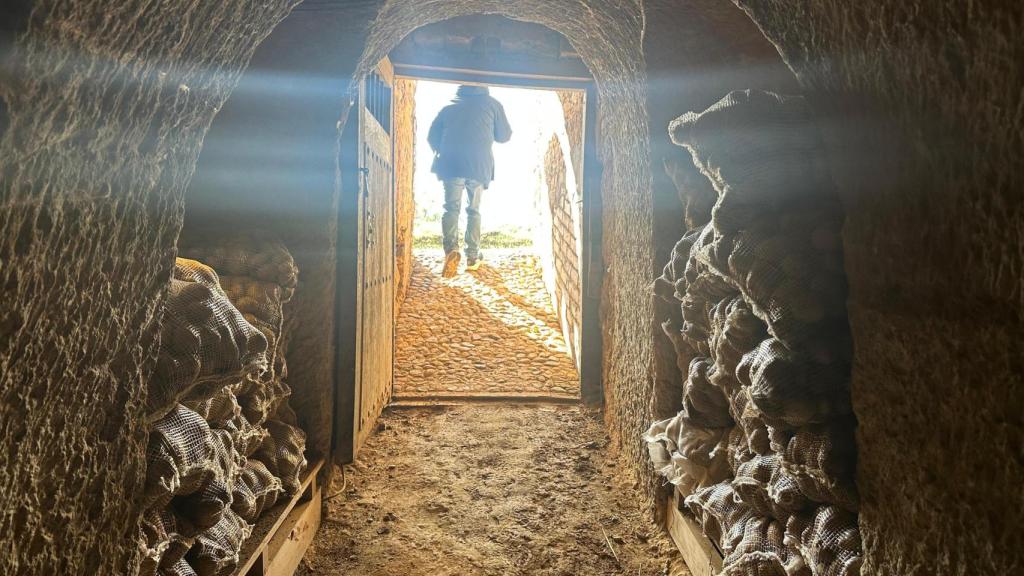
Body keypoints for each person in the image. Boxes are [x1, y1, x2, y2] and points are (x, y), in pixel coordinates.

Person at [427, 84, 512, 278]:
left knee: (451, 208)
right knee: (473, 210)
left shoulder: (448, 108)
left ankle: (450, 251)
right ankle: (472, 256)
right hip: (478, 165)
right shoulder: (493, 105)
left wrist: (444, 149)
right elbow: (504, 136)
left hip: (450, 164)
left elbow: (431, 137)